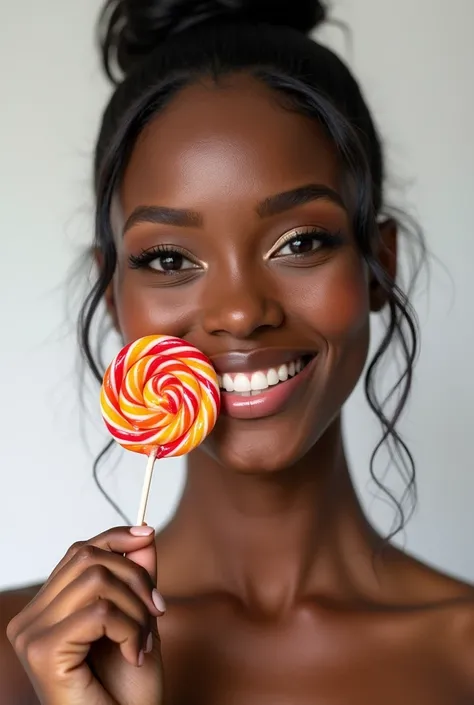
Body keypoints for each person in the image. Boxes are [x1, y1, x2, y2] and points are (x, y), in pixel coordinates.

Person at [1, 1, 474, 702]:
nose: (240, 312)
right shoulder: (23, 660)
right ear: (113, 295)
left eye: (300, 242)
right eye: (167, 257)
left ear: (379, 264)